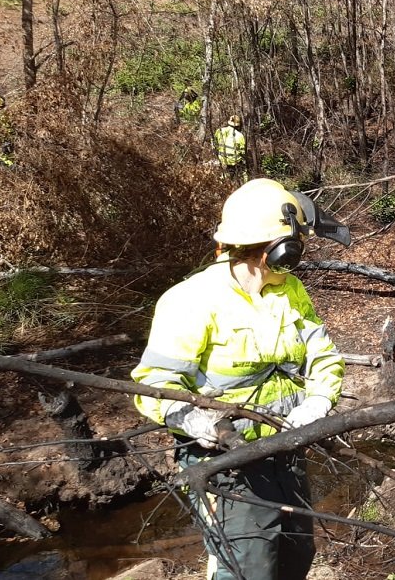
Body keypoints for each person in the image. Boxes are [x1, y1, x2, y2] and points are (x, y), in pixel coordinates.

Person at [131, 178, 351, 580]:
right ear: (278, 248)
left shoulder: (290, 290)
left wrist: (319, 401)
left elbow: (323, 354)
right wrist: (197, 421)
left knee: (296, 555)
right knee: (248, 568)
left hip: (285, 447)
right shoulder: (191, 301)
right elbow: (154, 386)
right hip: (227, 464)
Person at [214, 115, 247, 180]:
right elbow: (242, 152)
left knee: (224, 176)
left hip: (221, 159)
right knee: (244, 172)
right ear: (238, 125)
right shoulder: (240, 136)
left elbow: (215, 144)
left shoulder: (219, 131)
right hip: (233, 162)